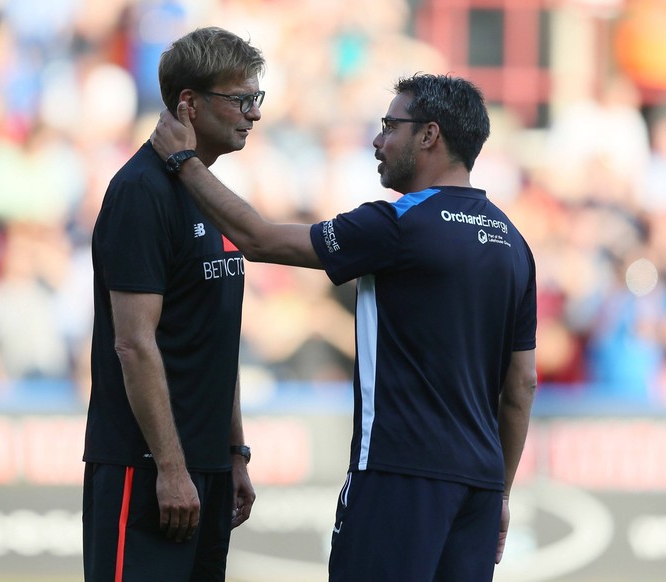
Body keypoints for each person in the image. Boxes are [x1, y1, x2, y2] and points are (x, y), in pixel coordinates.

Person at [151, 73, 538, 582]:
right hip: (481, 487)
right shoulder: (515, 244)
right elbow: (521, 385)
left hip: (398, 475)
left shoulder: (398, 224)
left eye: (388, 126)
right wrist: (501, 491)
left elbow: (261, 239)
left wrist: (183, 161)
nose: (377, 142)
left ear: (429, 135)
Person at [82, 27, 264, 581]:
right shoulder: (141, 191)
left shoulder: (207, 189)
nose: (253, 114)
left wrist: (234, 452)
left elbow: (218, 337)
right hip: (150, 471)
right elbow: (134, 343)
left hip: (204, 467)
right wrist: (171, 468)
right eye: (240, 99)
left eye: (256, 99)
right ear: (188, 102)